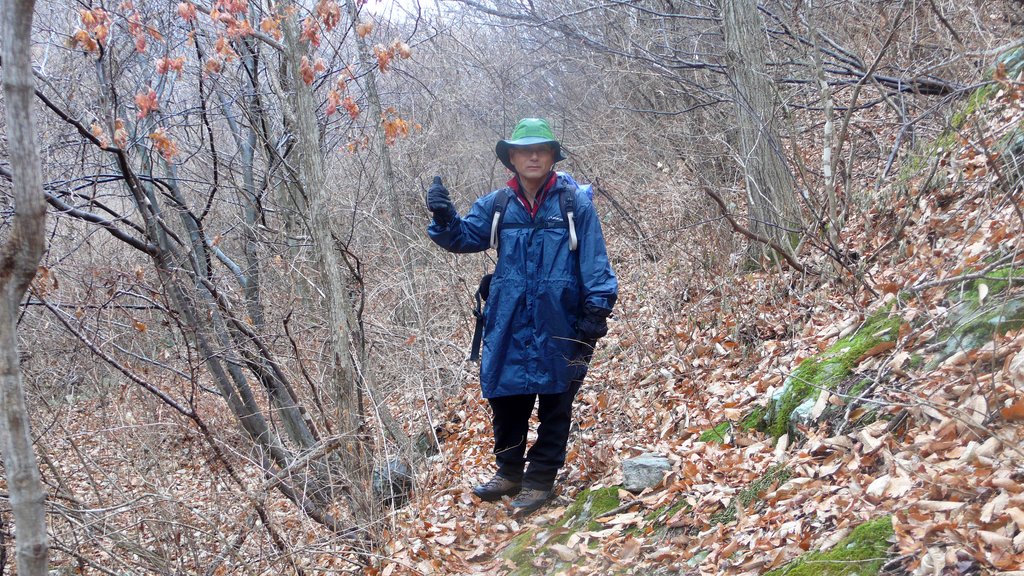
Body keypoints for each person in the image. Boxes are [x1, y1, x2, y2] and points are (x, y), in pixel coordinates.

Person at [426, 118, 618, 514]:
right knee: (506, 397)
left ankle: (541, 480)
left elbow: (596, 262)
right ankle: (510, 472)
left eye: (541, 150)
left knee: (556, 401)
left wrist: (595, 314)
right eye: (524, 150)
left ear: (551, 156)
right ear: (511, 157)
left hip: (561, 319)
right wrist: (445, 219)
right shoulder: (498, 204)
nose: (533, 156)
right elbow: (463, 238)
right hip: (508, 318)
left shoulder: (573, 203)